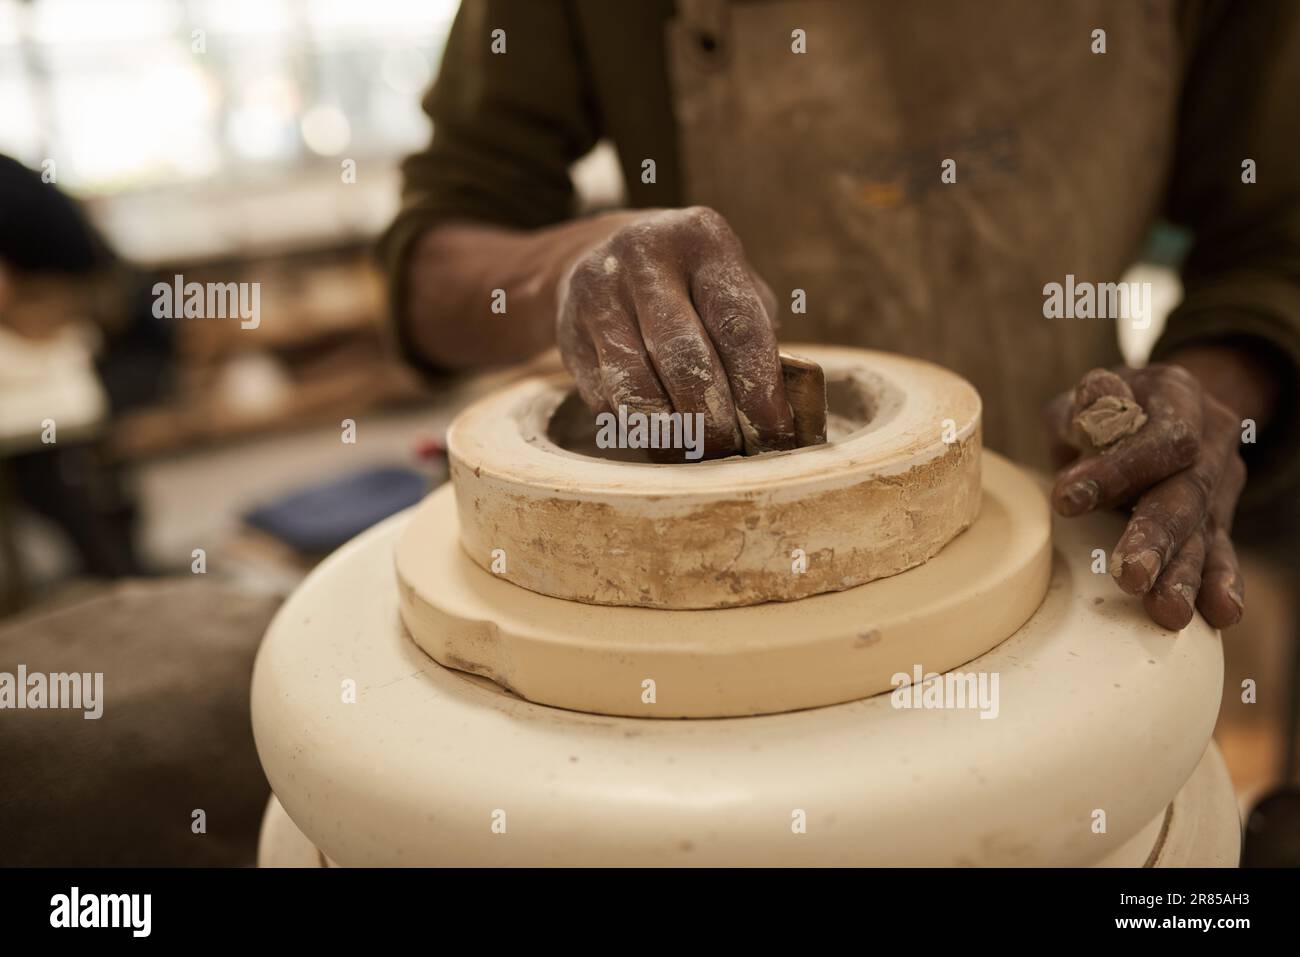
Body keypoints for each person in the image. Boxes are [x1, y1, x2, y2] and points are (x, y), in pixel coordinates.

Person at [380, 0, 1300, 632]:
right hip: (728, 584)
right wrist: (563, 270)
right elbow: (430, 265)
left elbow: (1276, 241)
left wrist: (1199, 406)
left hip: (1068, 532)